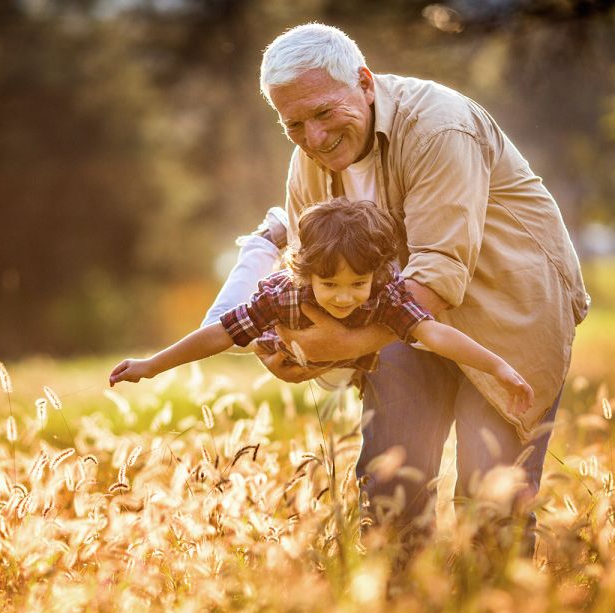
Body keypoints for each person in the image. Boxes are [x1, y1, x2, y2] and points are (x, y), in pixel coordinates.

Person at [204, 23, 590, 551]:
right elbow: (308, 274)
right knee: (392, 489)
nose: (313, 139)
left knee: (490, 498)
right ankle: (405, 611)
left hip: (508, 314)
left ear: (364, 82)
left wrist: (338, 347)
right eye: (294, 124)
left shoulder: (439, 127)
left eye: (323, 113)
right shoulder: (307, 163)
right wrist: (295, 349)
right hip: (397, 320)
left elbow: (433, 276)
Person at [110, 198, 536, 421]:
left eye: (357, 284)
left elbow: (435, 334)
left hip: (343, 353)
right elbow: (218, 334)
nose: (345, 296)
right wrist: (152, 364)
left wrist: (496, 366)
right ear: (308, 273)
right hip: (283, 334)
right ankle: (266, 239)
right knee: (228, 331)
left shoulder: (386, 293)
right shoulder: (283, 293)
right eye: (330, 284)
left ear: (377, 275)